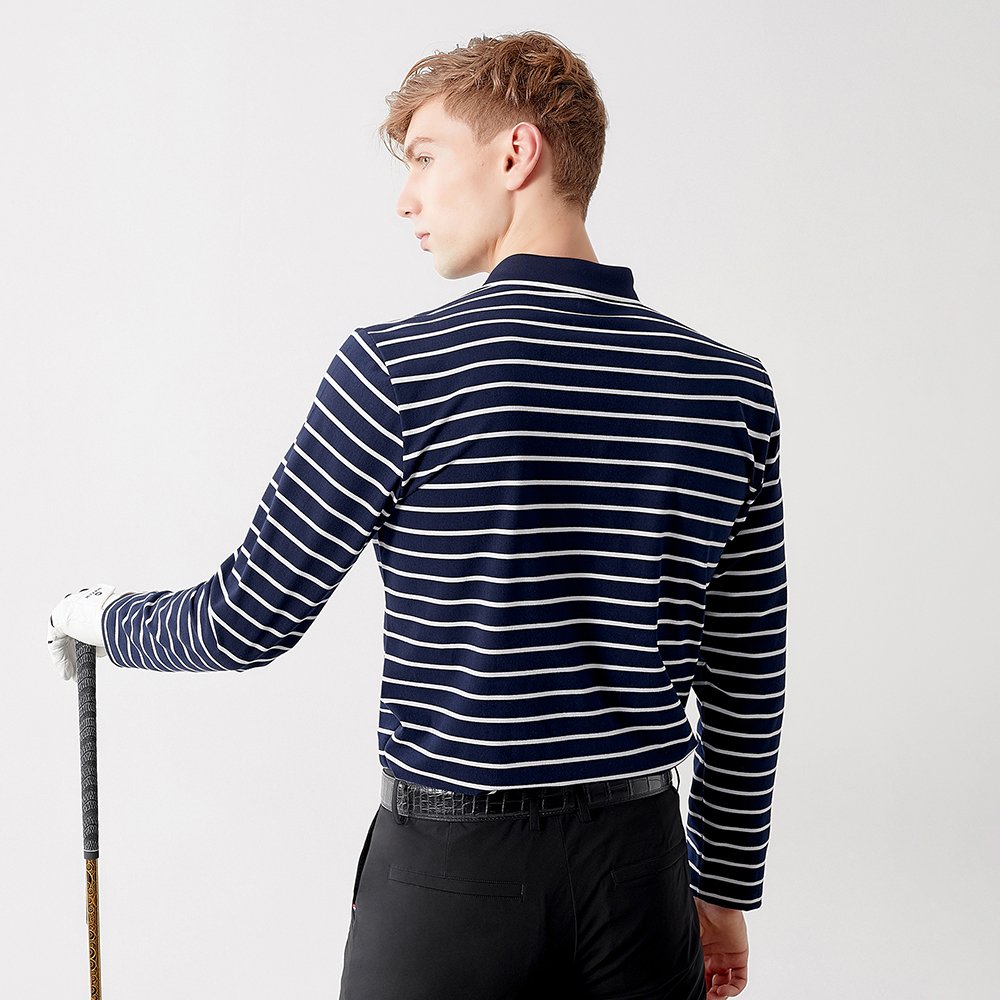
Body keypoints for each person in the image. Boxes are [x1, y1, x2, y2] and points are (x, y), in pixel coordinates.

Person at [48, 31, 785, 1000]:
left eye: (426, 158)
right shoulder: (729, 389)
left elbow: (244, 621)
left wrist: (101, 619)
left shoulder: (399, 370)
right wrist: (721, 890)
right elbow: (745, 675)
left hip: (451, 883)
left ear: (516, 153)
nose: (405, 197)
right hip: (638, 880)